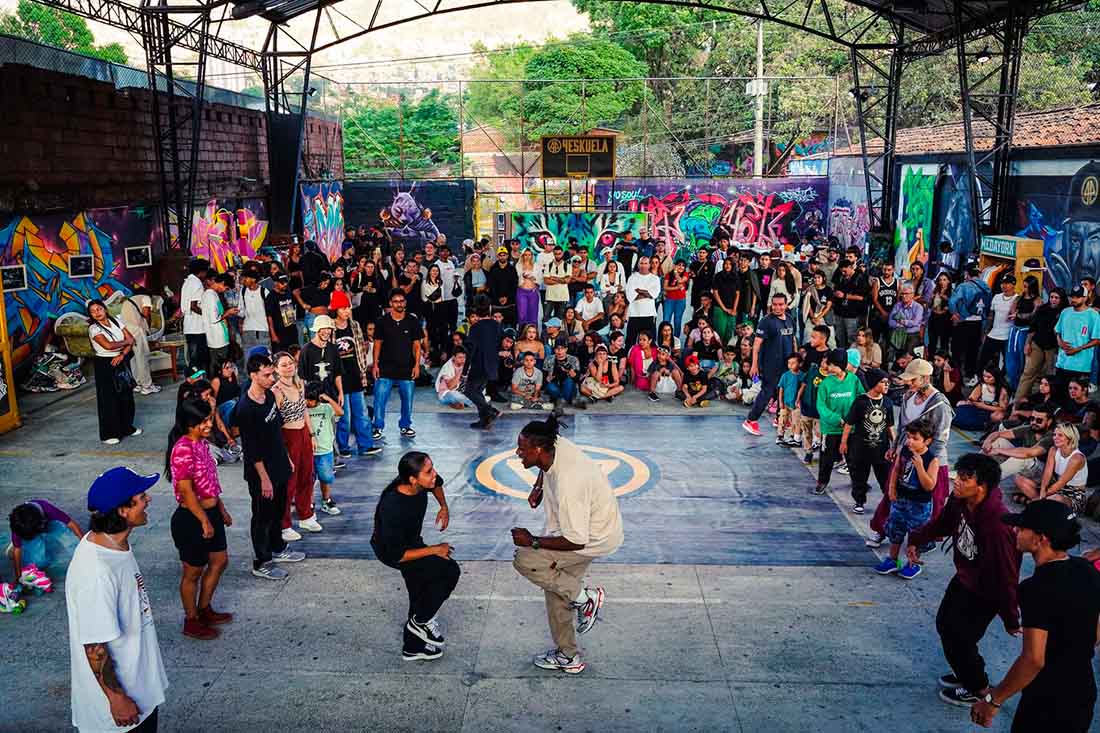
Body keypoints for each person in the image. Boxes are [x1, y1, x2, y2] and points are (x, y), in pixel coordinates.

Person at [972, 501, 1100, 731]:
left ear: (1040, 538)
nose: (1015, 531)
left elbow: (1033, 659)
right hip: (1083, 693)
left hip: (1048, 701)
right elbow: (1097, 633)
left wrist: (993, 700)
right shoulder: (1087, 569)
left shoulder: (1036, 588)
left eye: (1022, 529)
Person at [906, 453, 1021, 708]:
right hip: (965, 577)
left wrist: (1011, 618)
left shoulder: (997, 525)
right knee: (945, 626)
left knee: (960, 639)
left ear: (982, 487)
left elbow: (1007, 575)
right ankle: (966, 674)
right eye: (959, 476)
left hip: (986, 591)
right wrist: (916, 538)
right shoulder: (960, 501)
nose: (956, 482)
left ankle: (979, 690)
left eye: (965, 479)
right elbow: (943, 524)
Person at [511, 415, 623, 675]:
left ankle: (587, 599)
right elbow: (548, 458)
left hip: (593, 538)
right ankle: (568, 656)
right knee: (557, 587)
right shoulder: (553, 443)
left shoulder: (570, 483)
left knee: (527, 559)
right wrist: (539, 485)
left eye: (522, 449)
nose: (518, 453)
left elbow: (575, 540)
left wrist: (533, 541)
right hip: (587, 527)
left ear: (538, 449)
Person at [66, 466, 167, 732]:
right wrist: (116, 698)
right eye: (142, 496)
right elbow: (94, 645)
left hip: (140, 690)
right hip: (119, 713)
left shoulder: (114, 544)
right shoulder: (97, 570)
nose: (148, 500)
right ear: (123, 510)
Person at [371, 451, 459, 662]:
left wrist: (444, 507)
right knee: (449, 570)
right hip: (392, 551)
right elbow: (398, 555)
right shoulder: (393, 506)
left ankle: (413, 647)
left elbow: (437, 484)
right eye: (428, 472)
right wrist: (435, 549)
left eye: (433, 467)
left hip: (411, 543)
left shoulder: (422, 483)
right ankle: (421, 621)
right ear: (413, 479)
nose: (434, 474)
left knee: (420, 589)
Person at [865, 358, 955, 547]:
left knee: (928, 505)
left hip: (930, 461)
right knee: (893, 496)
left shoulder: (940, 405)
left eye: (913, 380)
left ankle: (921, 541)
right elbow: (903, 428)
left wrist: (925, 463)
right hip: (905, 456)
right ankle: (881, 530)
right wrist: (895, 447)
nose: (909, 383)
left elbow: (939, 439)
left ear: (926, 378)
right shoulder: (908, 397)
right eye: (908, 380)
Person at [165, 395, 233, 641]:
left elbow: (210, 483)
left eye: (208, 420)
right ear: (188, 424)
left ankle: (205, 608)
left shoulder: (203, 445)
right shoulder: (182, 448)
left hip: (211, 512)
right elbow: (185, 490)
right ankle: (191, 619)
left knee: (220, 560)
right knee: (192, 572)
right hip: (191, 518)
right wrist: (204, 519)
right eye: (202, 422)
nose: (208, 425)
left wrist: (220, 510)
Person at [236, 354, 305, 580]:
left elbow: (276, 432)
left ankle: (278, 547)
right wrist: (264, 478)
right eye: (266, 375)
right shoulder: (245, 408)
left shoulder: (269, 396)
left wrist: (286, 458)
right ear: (253, 375)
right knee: (262, 517)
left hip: (279, 465)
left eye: (271, 374)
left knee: (277, 510)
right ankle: (262, 561)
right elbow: (251, 449)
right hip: (261, 472)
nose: (271, 378)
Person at [873, 420, 939, 579]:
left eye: (915, 438)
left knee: (916, 533)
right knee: (895, 529)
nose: (910, 441)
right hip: (901, 499)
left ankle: (913, 563)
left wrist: (920, 467)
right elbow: (896, 469)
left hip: (919, 504)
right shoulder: (904, 451)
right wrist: (891, 489)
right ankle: (893, 559)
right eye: (908, 437)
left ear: (927, 441)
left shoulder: (932, 460)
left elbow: (929, 485)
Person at [271, 352, 319, 538]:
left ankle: (306, 515)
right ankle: (284, 525)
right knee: (289, 482)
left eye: (290, 363)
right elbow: (275, 423)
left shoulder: (299, 384)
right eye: (283, 365)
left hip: (303, 434)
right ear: (276, 369)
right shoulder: (276, 391)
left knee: (307, 476)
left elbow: (304, 410)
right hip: (288, 436)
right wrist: (282, 450)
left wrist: (311, 434)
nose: (289, 367)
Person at [330, 292, 379, 458]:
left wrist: (363, 373)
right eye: (343, 308)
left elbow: (360, 352)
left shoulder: (355, 325)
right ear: (336, 309)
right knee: (344, 415)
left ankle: (365, 445)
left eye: (348, 307)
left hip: (355, 375)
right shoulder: (330, 328)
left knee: (362, 413)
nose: (347, 311)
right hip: (340, 378)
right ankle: (343, 446)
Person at [742, 294, 797, 437]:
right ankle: (751, 420)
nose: (777, 307)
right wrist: (754, 365)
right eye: (775, 304)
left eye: (780, 304)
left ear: (786, 305)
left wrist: (796, 358)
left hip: (787, 364)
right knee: (767, 392)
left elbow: (793, 340)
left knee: (783, 391)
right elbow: (756, 345)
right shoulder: (766, 322)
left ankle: (780, 418)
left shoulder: (790, 319)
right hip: (770, 364)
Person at [87, 299, 140, 446]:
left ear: (105, 309)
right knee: (108, 399)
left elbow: (132, 339)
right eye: (93, 311)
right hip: (105, 364)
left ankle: (127, 427)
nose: (97, 313)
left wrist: (122, 354)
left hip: (121, 360)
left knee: (126, 395)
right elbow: (108, 345)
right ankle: (109, 433)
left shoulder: (116, 320)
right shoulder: (94, 329)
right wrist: (127, 342)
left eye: (99, 309)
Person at [373, 289, 424, 440]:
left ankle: (405, 426)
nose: (399, 304)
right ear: (390, 303)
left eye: (401, 301)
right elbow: (377, 344)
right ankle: (378, 427)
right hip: (385, 368)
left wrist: (417, 365)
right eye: (396, 301)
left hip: (407, 368)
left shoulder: (412, 320)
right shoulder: (382, 321)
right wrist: (375, 365)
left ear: (405, 303)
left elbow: (417, 345)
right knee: (379, 400)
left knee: (407, 400)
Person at [842, 367, 894, 514]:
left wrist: (894, 445)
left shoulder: (888, 403)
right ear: (873, 383)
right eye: (883, 382)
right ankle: (859, 501)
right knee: (860, 477)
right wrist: (844, 442)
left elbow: (890, 426)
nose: (886, 385)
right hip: (861, 449)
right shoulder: (860, 402)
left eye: (887, 382)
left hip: (881, 450)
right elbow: (849, 423)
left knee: (885, 478)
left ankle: (889, 502)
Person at [814, 348, 864, 495]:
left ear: (839, 365)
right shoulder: (825, 384)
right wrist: (837, 419)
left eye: (830, 365)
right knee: (827, 460)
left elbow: (861, 398)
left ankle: (858, 484)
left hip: (851, 429)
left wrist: (853, 418)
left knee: (853, 460)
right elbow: (821, 407)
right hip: (830, 429)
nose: (827, 368)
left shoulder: (854, 380)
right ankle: (822, 482)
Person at [1016, 423, 1090, 512]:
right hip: (1056, 487)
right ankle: (1040, 504)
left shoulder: (1077, 458)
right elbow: (1047, 473)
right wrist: (1043, 490)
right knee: (1019, 479)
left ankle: (1035, 503)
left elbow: (1061, 483)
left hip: (1072, 494)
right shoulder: (1053, 449)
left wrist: (1044, 495)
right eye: (1054, 434)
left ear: (1070, 438)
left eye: (1060, 435)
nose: (1055, 437)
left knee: (1055, 498)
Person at [7, 499, 82, 588]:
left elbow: (71, 524)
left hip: (49, 522)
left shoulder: (47, 509)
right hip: (33, 528)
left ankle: (26, 541)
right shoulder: (18, 524)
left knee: (76, 545)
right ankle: (20, 542)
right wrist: (18, 577)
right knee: (39, 563)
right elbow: (17, 550)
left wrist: (84, 542)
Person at [1014, 288, 1064, 402]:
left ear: (1061, 299)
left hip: (1053, 348)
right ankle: (1017, 403)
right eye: (1051, 297)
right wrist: (1027, 344)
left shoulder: (1064, 312)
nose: (1053, 300)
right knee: (1028, 373)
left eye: (1056, 298)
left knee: (1050, 377)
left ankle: (1048, 405)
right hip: (1037, 344)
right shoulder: (1043, 309)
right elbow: (1033, 328)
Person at [305, 380, 345, 517]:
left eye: (311, 400)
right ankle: (309, 503)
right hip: (308, 451)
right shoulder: (303, 410)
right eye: (306, 399)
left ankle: (326, 500)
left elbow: (340, 412)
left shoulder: (326, 408)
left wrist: (328, 399)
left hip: (325, 450)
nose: (308, 403)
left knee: (326, 477)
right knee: (308, 479)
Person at [950, 266, 993, 385]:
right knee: (972, 351)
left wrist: (955, 314)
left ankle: (956, 375)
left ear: (966, 274)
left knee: (957, 350)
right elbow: (988, 308)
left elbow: (953, 302)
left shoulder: (964, 286)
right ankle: (970, 375)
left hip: (964, 321)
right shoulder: (987, 288)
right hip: (979, 323)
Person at [464, 299, 502, 429]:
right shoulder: (496, 325)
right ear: (489, 308)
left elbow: (470, 350)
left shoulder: (475, 327)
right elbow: (498, 344)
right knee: (478, 391)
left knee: (469, 391)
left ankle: (490, 411)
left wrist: (464, 371)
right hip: (491, 363)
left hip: (479, 364)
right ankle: (485, 419)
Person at [1054, 285, 1100, 386]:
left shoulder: (1093, 315)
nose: (1073, 299)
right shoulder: (1065, 312)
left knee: (1076, 397)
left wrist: (1078, 349)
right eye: (1072, 296)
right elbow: (1057, 330)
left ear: (1085, 298)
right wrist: (1060, 342)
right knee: (1059, 396)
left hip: (1080, 365)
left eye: (1077, 297)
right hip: (1062, 362)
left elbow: (1096, 340)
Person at [117, 289, 159, 396]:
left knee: (134, 358)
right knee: (142, 357)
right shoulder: (146, 297)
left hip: (127, 332)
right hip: (137, 331)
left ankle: (138, 384)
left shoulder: (128, 300)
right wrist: (148, 328)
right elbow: (146, 314)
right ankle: (147, 386)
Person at [978, 274, 1017, 373]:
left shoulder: (1017, 299)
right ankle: (979, 377)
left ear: (1013, 285)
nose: (1004, 286)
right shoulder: (996, 297)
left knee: (1006, 361)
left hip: (1007, 336)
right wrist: (986, 332)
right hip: (994, 333)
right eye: (1002, 283)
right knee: (983, 358)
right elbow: (991, 316)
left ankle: (1002, 381)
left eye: (1007, 283)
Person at [954, 367, 1010, 431]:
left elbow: (1003, 408)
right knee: (959, 408)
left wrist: (984, 406)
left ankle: (986, 424)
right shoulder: (982, 385)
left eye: (989, 377)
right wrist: (972, 401)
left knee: (999, 416)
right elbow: (972, 399)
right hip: (978, 409)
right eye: (984, 376)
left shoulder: (1002, 390)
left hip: (992, 411)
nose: (985, 378)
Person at [830, 259, 868, 349]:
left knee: (852, 338)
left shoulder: (860, 277)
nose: (843, 273)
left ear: (851, 268)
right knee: (839, 337)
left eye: (845, 271)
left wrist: (845, 296)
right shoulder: (839, 275)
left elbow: (862, 297)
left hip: (852, 314)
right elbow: (834, 286)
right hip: (839, 312)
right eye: (841, 271)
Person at [624, 256, 661, 347]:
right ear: (638, 264)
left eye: (646, 263)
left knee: (650, 342)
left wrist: (639, 291)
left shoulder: (655, 278)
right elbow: (629, 296)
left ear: (649, 265)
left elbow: (654, 295)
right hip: (634, 314)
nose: (643, 266)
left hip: (649, 314)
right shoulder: (632, 278)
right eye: (641, 263)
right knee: (630, 342)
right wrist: (647, 293)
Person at [182, 258, 210, 370]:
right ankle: (198, 382)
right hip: (197, 327)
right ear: (202, 271)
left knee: (193, 359)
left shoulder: (187, 281)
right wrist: (207, 315)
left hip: (189, 326)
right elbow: (193, 306)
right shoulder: (197, 283)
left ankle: (194, 380)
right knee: (198, 359)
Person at [543, 337, 583, 411]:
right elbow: (544, 379)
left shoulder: (573, 359)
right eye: (557, 348)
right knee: (550, 386)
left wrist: (569, 371)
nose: (559, 351)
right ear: (554, 349)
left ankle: (560, 401)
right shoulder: (549, 359)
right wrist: (547, 379)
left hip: (569, 386)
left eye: (562, 348)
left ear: (566, 349)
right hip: (555, 385)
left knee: (569, 381)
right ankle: (564, 400)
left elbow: (577, 379)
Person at [264, 273, 298, 350]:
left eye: (286, 282)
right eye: (282, 283)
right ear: (275, 283)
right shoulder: (271, 297)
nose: (285, 284)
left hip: (292, 330)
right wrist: (273, 334)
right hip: (279, 333)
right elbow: (269, 317)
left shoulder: (289, 293)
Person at [776, 354, 803, 446]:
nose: (790, 365)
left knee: (795, 420)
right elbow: (781, 389)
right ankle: (780, 436)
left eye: (793, 363)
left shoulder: (802, 375)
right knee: (782, 419)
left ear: (799, 364)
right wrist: (780, 402)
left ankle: (794, 437)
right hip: (786, 403)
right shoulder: (785, 375)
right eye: (789, 363)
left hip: (796, 404)